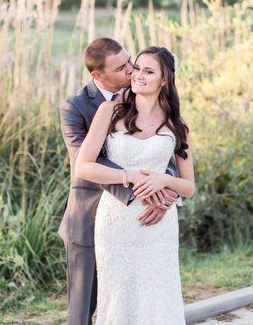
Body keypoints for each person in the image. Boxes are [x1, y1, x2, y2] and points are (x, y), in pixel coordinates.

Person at [58, 38, 182, 325]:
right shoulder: (75, 106)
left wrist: (166, 193)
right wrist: (140, 190)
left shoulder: (144, 95)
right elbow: (85, 163)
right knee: (84, 311)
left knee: (142, 301)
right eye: (123, 67)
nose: (131, 71)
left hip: (146, 216)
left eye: (131, 62)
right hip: (91, 214)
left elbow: (166, 154)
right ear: (98, 76)